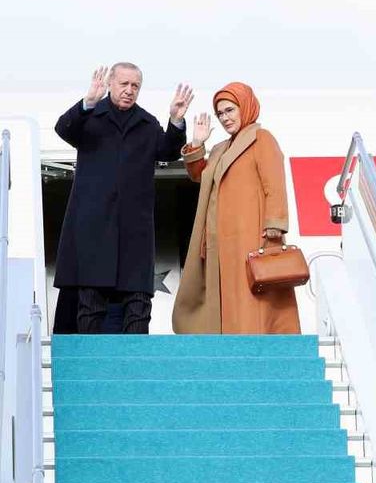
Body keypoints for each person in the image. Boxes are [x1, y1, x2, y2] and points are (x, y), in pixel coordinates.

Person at [54, 64, 191, 333]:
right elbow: (63, 129)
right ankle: (92, 359)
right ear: (110, 83)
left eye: (135, 86)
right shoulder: (90, 116)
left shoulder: (147, 123)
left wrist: (175, 120)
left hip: (134, 231)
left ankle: (135, 360)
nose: (129, 90)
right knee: (90, 304)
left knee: (138, 305)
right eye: (124, 84)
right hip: (93, 228)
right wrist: (88, 102)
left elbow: (168, 151)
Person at [172, 82, 300, 334]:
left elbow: (274, 183)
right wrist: (197, 143)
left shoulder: (261, 138)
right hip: (219, 240)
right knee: (227, 296)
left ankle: (255, 345)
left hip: (252, 235)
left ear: (245, 107)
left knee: (251, 295)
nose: (224, 118)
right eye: (220, 113)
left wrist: (275, 223)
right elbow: (199, 175)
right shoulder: (220, 148)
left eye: (230, 110)